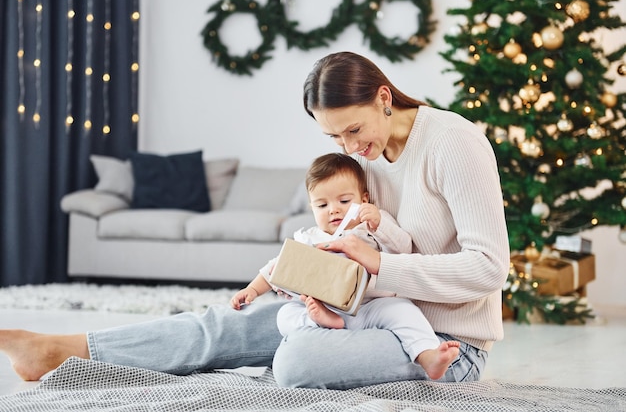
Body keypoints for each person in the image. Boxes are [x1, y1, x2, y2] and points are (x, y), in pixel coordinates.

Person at [0, 51, 509, 390]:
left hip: (443, 342)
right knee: (225, 323)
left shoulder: (453, 143)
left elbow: (490, 268)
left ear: (383, 97)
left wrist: (377, 265)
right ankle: (64, 351)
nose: (353, 149)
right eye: (336, 140)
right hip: (354, 312)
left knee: (295, 362)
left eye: (354, 130)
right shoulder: (368, 155)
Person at [231, 153, 460, 380]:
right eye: (322, 205)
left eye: (344, 201)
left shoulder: (372, 227)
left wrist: (379, 223)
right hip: (325, 309)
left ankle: (427, 356)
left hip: (372, 306)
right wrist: (252, 290)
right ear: (312, 208)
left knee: (404, 311)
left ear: (364, 199)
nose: (333, 209)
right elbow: (277, 267)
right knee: (285, 315)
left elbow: (404, 248)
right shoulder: (310, 239)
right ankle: (320, 322)